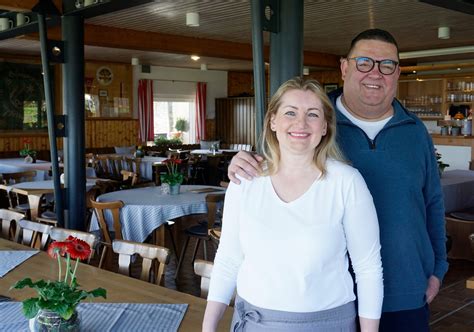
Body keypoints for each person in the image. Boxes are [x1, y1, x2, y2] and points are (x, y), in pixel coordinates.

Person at [227, 29, 448, 332]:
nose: (376, 73)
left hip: (406, 292)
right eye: (364, 62)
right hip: (329, 302)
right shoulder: (313, 122)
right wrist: (243, 162)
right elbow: (274, 167)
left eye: (387, 65)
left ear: (397, 73)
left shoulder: (415, 131)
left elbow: (433, 203)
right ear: (345, 67)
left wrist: (437, 268)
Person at [203, 77, 383, 331]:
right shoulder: (245, 180)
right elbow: (228, 260)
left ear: (325, 127)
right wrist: (208, 327)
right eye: (290, 112)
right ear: (273, 121)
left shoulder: (347, 183)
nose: (301, 123)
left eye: (312, 114)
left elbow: (368, 268)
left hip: (327, 323)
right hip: (255, 322)